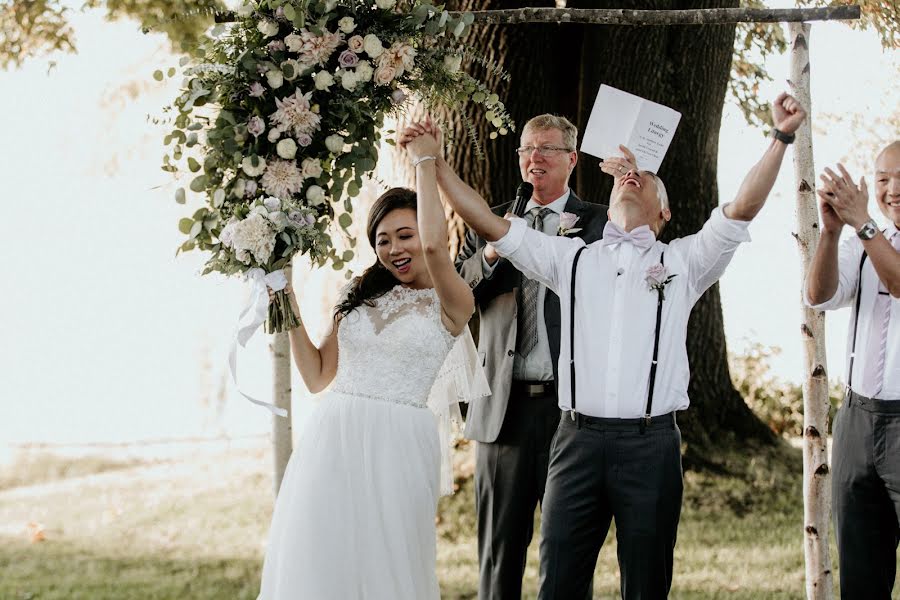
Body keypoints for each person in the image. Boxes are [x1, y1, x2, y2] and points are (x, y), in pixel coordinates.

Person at [400, 91, 806, 599]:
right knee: (560, 582)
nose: (631, 177)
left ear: (664, 210)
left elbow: (742, 207)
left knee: (646, 583)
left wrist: (781, 137)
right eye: (622, 176)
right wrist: (432, 163)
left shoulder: (687, 262)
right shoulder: (571, 260)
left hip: (650, 445)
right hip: (576, 444)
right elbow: (488, 221)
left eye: (644, 177)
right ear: (609, 198)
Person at [256, 129, 483, 599]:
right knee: (321, 556)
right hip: (333, 435)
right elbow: (318, 376)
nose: (395, 249)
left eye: (406, 235)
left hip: (398, 442)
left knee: (388, 562)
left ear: (426, 231)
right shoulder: (360, 295)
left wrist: (425, 162)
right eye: (383, 240)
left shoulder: (452, 300)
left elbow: (439, 250)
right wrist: (287, 299)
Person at [453, 114, 606, 599]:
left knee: (566, 558)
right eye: (525, 149)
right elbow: (459, 290)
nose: (533, 157)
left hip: (572, 409)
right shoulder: (489, 220)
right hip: (505, 406)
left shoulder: (601, 222)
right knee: (499, 556)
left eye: (546, 148)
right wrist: (497, 250)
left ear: (571, 159)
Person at [805, 140, 900, 599]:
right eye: (883, 179)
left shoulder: (869, 235)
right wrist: (829, 233)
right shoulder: (863, 242)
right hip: (857, 421)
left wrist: (861, 222)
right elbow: (819, 297)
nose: (892, 189)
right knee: (861, 571)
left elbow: (899, 282)